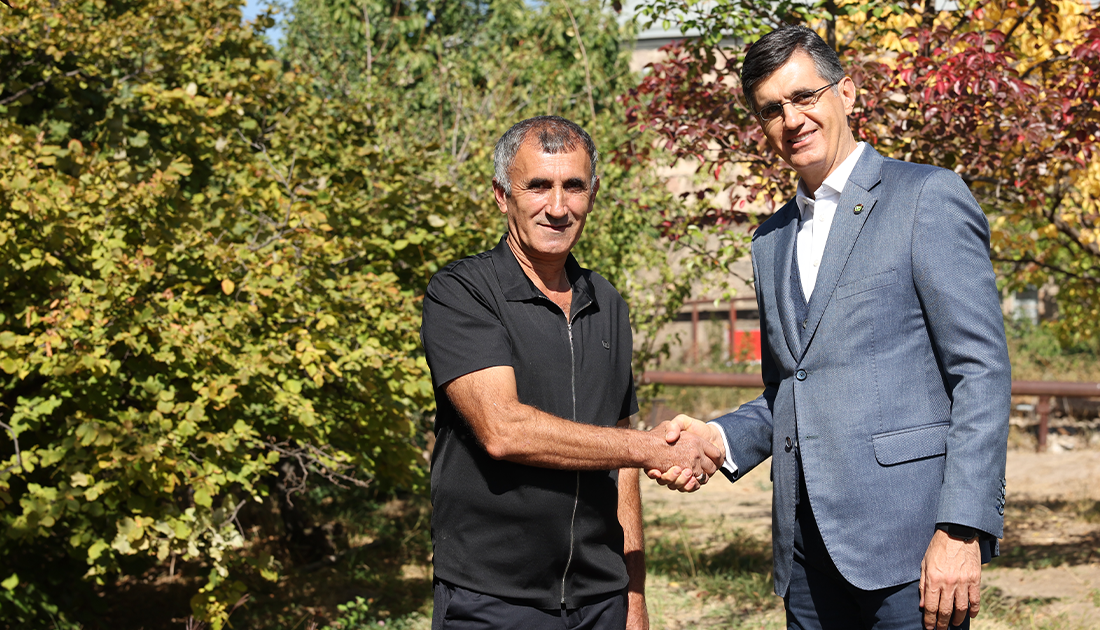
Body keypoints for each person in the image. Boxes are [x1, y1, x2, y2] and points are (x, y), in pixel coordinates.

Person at [651, 26, 1012, 630]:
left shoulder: (926, 197)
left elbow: (981, 373)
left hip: (914, 551)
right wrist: (717, 439)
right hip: (805, 560)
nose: (791, 119)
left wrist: (961, 529)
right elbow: (791, 390)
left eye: (804, 97)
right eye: (771, 110)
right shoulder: (769, 240)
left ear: (846, 92)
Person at [421, 115, 723, 630]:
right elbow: (503, 430)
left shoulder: (607, 302)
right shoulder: (463, 292)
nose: (558, 207)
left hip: (601, 600)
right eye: (538, 185)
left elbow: (622, 465)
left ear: (593, 194)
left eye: (574, 187)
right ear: (502, 195)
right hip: (493, 600)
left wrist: (633, 595)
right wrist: (652, 447)